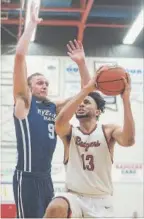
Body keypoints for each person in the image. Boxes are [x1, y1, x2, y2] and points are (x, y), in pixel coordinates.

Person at [12, 1, 91, 218]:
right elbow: (19, 58)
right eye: (39, 82)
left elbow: (85, 92)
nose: (44, 85)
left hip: (46, 177)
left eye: (46, 83)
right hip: (26, 177)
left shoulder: (53, 107)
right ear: (28, 87)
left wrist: (82, 64)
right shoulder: (24, 103)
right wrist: (31, 25)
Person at [44, 66, 135, 218]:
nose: (81, 104)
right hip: (74, 197)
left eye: (86, 102)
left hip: (102, 200)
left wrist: (126, 100)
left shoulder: (108, 131)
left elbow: (129, 140)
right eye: (80, 102)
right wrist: (86, 90)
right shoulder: (69, 132)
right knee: (56, 207)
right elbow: (59, 122)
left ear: (97, 111)